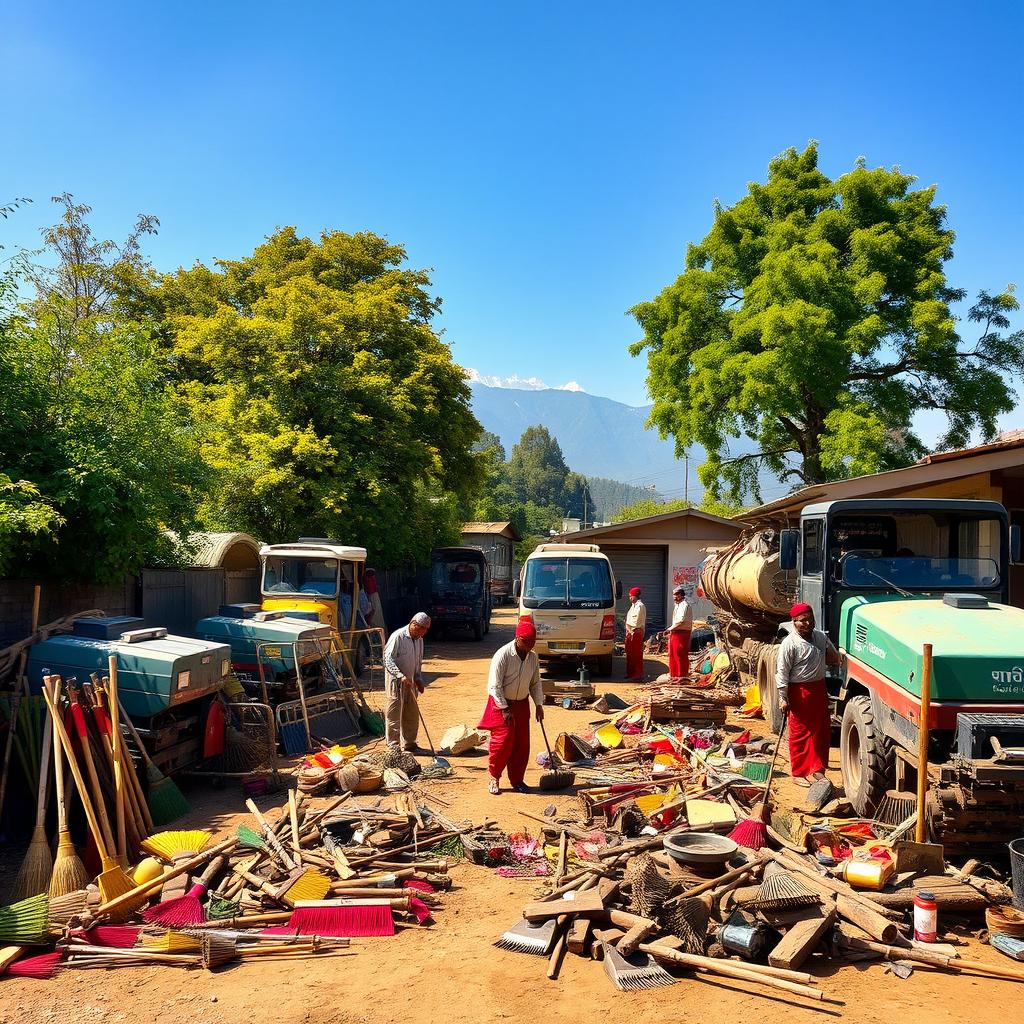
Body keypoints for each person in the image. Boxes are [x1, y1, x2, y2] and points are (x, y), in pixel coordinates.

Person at [775, 602, 841, 786]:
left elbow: (833, 657)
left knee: (821, 732)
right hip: (798, 692)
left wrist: (839, 656)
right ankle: (799, 773)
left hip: (818, 689)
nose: (807, 624)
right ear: (794, 622)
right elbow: (782, 672)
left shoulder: (820, 637)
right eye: (802, 621)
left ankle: (818, 770)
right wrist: (783, 697)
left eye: (810, 620)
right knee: (800, 733)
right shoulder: (790, 643)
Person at [477, 619, 545, 795]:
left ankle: (517, 780)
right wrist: (504, 709)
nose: (530, 646)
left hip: (522, 704)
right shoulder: (503, 655)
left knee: (522, 745)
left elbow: (535, 683)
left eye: (533, 642)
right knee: (502, 743)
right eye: (527, 642)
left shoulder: (533, 657)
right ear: (518, 638)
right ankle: (494, 777)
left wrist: (539, 704)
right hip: (502, 704)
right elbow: (494, 685)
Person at [382, 612, 431, 751]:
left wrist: (418, 679)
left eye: (425, 631)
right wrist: (399, 675)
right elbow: (387, 658)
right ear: (413, 624)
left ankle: (410, 743)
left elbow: (417, 662)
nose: (423, 633)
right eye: (421, 629)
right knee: (394, 714)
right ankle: (393, 746)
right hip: (396, 682)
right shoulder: (398, 636)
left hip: (411, 683)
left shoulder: (420, 639)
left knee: (412, 713)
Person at [667, 584, 692, 677]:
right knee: (673, 655)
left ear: (681, 595)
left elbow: (680, 622)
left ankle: (681, 676)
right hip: (675, 633)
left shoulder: (684, 605)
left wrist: (668, 629)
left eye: (676, 595)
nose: (674, 597)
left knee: (680, 655)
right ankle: (674, 676)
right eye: (674, 595)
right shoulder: (677, 605)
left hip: (682, 634)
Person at [624, 587, 646, 681]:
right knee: (630, 654)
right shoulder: (633, 606)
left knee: (636, 655)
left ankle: (637, 674)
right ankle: (630, 673)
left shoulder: (640, 606)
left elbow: (635, 622)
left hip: (635, 632)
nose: (630, 598)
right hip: (630, 632)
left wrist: (629, 628)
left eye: (631, 596)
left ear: (635, 596)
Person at [363, 568, 386, 635]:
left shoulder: (369, 579)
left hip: (372, 595)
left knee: (375, 610)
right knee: (375, 610)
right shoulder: (368, 579)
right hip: (371, 595)